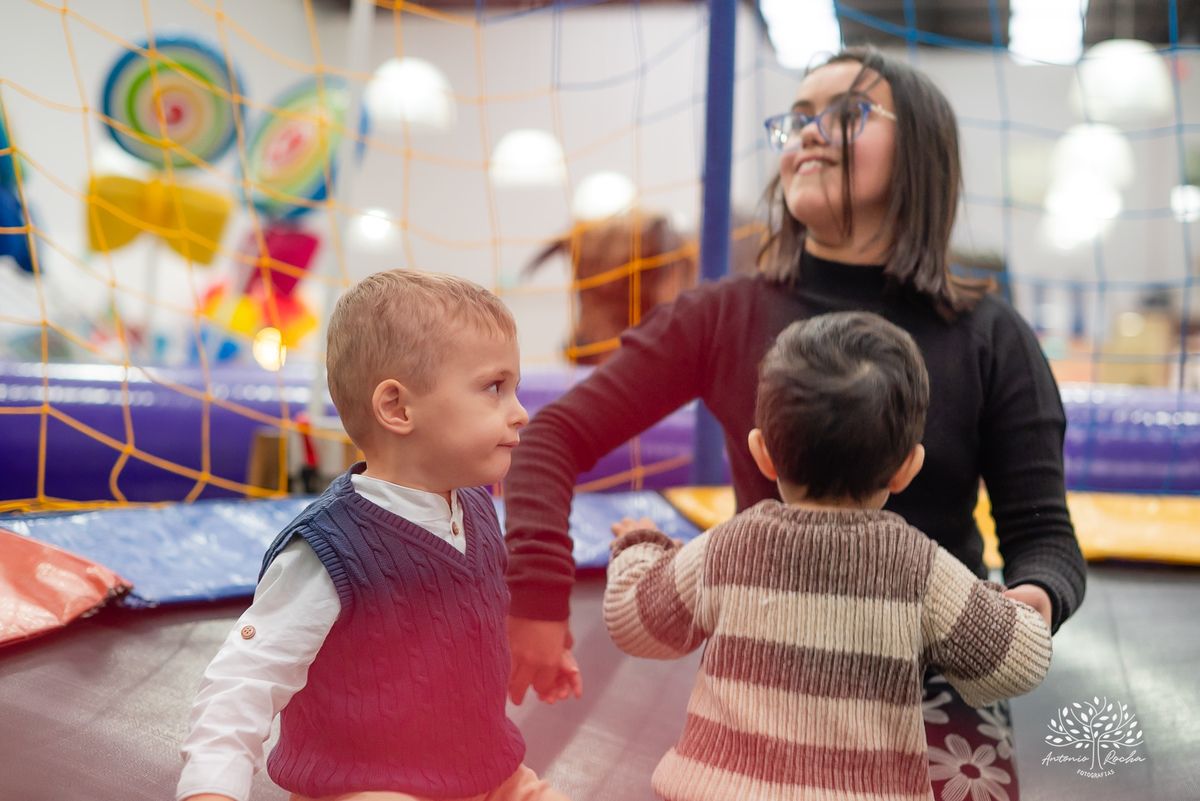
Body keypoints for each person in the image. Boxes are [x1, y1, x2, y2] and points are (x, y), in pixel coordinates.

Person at [502, 46, 1086, 798]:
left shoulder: (988, 336)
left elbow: (1044, 537)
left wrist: (1027, 603)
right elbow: (553, 436)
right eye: (798, 118)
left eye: (846, 114)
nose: (810, 133)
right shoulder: (723, 316)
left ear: (920, 152)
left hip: (929, 672)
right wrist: (537, 598)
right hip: (771, 673)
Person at [604, 311, 1054, 801]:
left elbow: (635, 621)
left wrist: (639, 547)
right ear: (907, 468)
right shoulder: (917, 569)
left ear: (763, 454)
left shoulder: (730, 548)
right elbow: (1019, 662)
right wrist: (1017, 610)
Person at [176, 269, 576, 801]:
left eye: (515, 389)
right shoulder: (330, 549)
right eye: (494, 389)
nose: (521, 412)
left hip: (486, 772)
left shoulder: (475, 508)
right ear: (397, 408)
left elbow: (464, 611)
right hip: (371, 784)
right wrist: (212, 788)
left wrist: (524, 651)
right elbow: (246, 677)